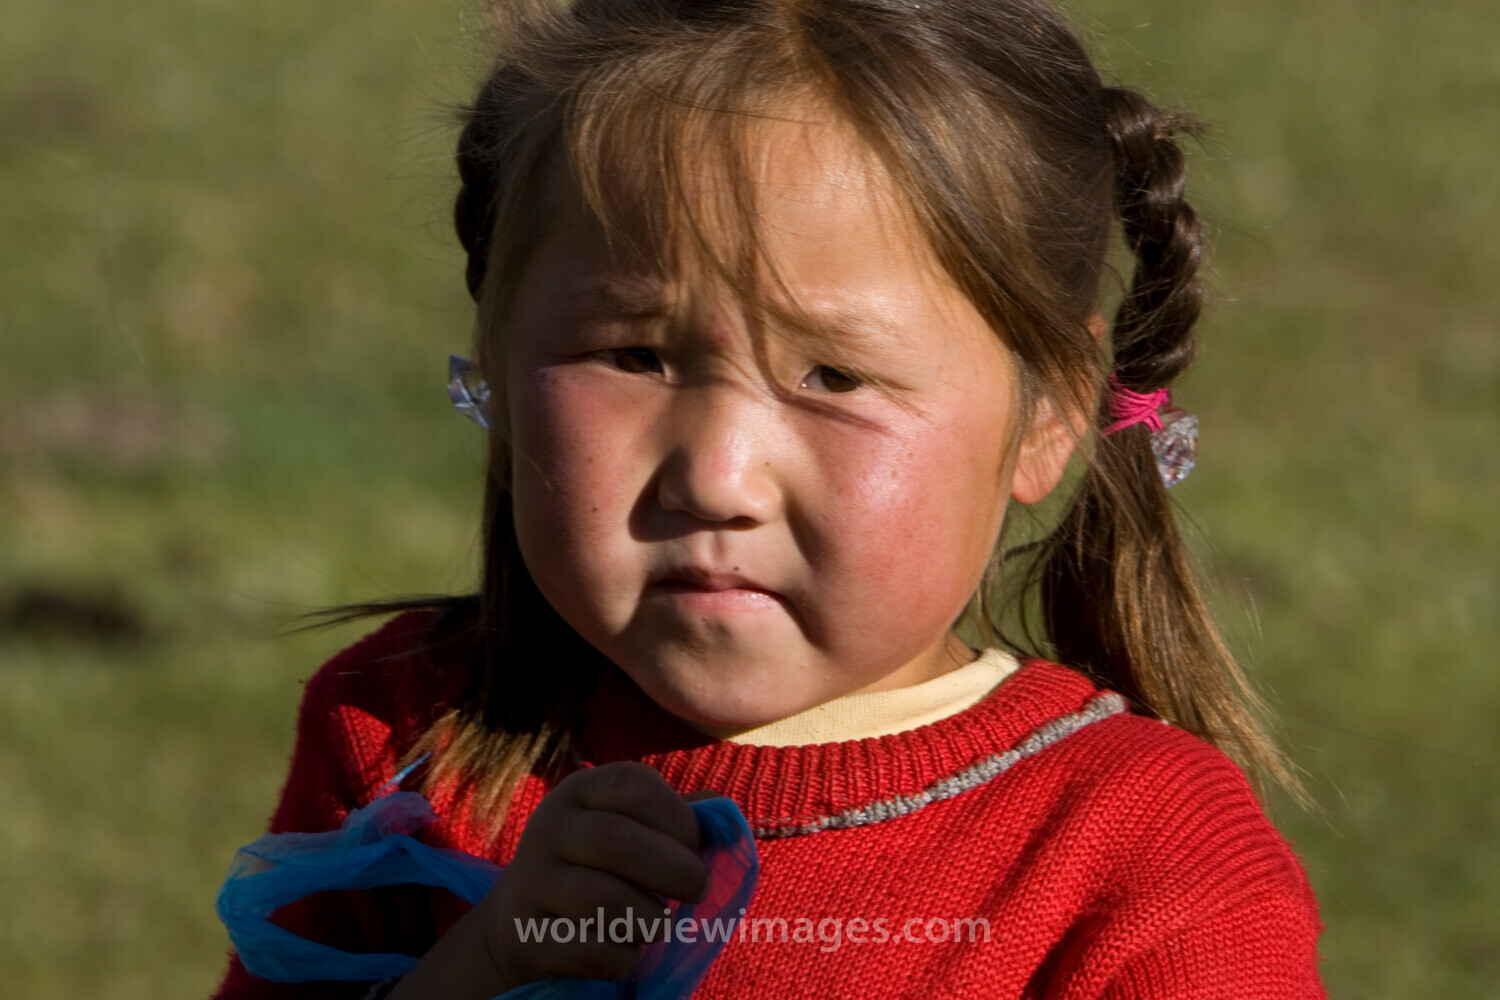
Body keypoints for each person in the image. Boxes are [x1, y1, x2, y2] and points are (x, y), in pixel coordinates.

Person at [210, 0, 1327, 996]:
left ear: (1047, 416)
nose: (717, 475)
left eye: (834, 376)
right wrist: (492, 962)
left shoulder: (1142, 861)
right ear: (498, 353)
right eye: (634, 355)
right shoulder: (403, 735)